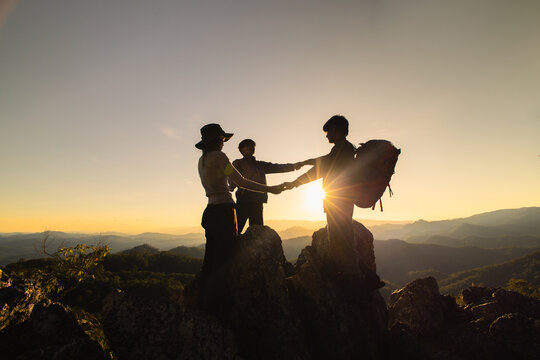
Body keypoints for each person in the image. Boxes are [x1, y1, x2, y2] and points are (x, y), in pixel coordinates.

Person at [195, 124, 284, 276]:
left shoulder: (201, 160)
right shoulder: (219, 157)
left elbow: (229, 181)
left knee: (210, 259)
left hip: (210, 211)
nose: (224, 143)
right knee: (227, 258)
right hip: (224, 210)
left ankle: (206, 296)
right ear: (217, 140)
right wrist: (269, 189)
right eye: (222, 139)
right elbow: (241, 181)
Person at [283, 115, 358, 275]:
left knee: (340, 237)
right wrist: (305, 163)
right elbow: (324, 162)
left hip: (339, 199)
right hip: (340, 198)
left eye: (328, 130)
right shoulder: (343, 148)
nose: (326, 135)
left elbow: (322, 167)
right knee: (343, 235)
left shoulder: (343, 149)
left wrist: (295, 183)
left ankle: (346, 274)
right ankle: (349, 272)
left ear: (336, 129)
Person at [231, 139, 308, 233]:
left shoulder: (260, 165)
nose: (252, 148)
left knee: (257, 231)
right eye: (248, 145)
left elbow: (277, 167)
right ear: (241, 149)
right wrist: (231, 184)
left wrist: (293, 167)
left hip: (258, 201)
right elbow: (229, 174)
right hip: (243, 201)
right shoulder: (236, 163)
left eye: (253, 146)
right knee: (234, 231)